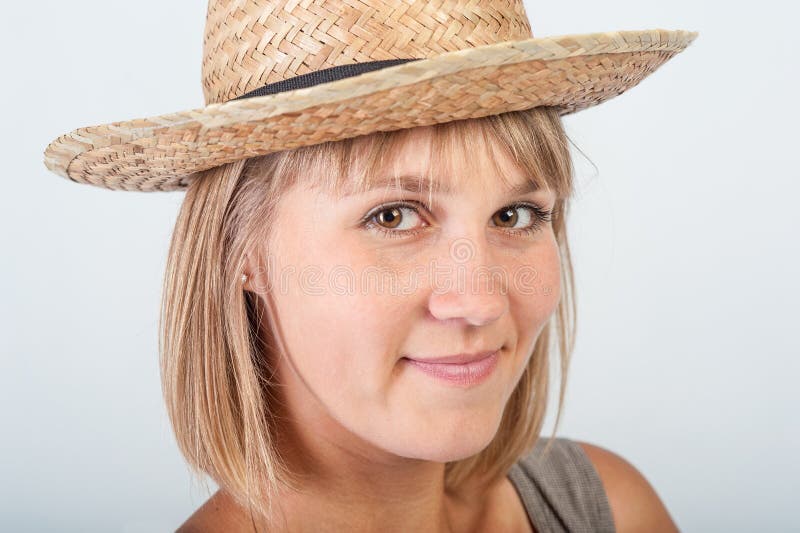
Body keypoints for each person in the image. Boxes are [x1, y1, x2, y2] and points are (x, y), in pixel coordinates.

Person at [42, 1, 698, 531]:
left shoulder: (610, 508)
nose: (479, 302)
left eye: (514, 215)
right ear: (239, 252)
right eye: (393, 216)